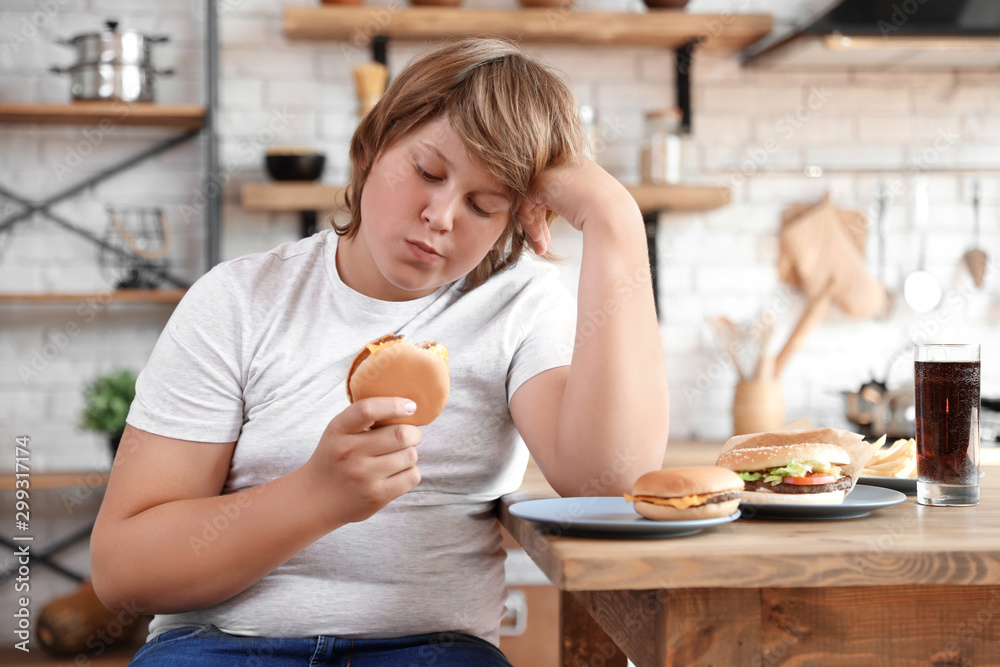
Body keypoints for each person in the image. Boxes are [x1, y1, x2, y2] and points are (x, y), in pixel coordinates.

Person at [90, 37, 669, 666]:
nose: (441, 215)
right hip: (221, 646)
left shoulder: (522, 303)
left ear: (518, 217)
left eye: (485, 203)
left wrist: (615, 218)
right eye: (427, 172)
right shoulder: (238, 300)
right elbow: (124, 575)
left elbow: (611, 482)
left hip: (434, 651)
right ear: (370, 148)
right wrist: (314, 496)